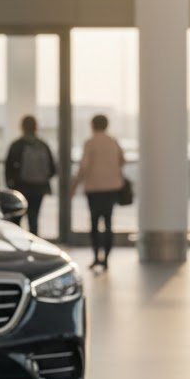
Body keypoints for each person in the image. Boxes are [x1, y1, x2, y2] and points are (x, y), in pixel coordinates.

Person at [70, 113, 126, 271]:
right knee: (108, 222)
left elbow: (84, 167)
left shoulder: (90, 143)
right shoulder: (113, 141)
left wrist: (74, 185)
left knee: (94, 222)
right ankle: (106, 258)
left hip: (94, 188)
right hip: (112, 188)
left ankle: (96, 257)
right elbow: (122, 160)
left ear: (92, 125)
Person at [4, 115, 56, 236]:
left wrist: (10, 185)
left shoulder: (17, 145)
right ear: (36, 127)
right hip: (39, 188)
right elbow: (52, 169)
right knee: (34, 218)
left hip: (21, 187)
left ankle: (18, 244)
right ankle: (33, 243)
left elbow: (8, 168)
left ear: (22, 127)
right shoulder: (43, 145)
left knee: (17, 218)